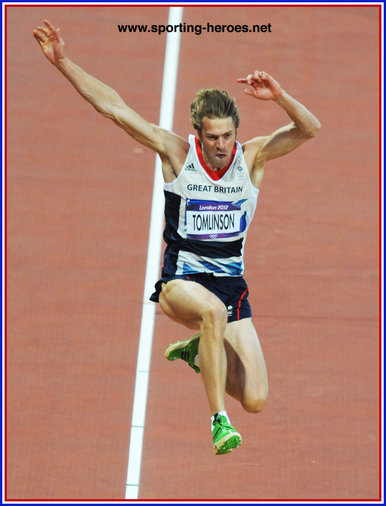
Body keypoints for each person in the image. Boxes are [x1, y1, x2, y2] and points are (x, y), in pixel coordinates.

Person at [33, 19, 321, 456]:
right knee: (210, 311)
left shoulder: (254, 157)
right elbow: (114, 108)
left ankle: (197, 353)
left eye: (227, 136)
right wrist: (64, 62)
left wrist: (280, 97)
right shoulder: (176, 154)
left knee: (257, 399)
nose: (221, 145)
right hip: (181, 283)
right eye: (212, 137)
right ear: (197, 133)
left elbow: (310, 129)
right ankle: (217, 421)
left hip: (232, 286)